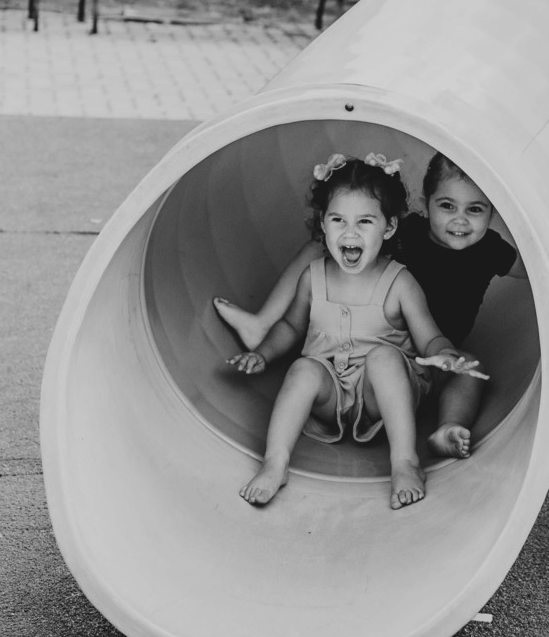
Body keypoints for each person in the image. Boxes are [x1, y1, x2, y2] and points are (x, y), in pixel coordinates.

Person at [215, 152, 516, 459]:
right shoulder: (408, 232)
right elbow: (355, 224)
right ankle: (263, 325)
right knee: (320, 250)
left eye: (475, 209)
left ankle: (448, 428)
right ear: (427, 203)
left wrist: (445, 355)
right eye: (447, 206)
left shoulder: (491, 248)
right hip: (370, 332)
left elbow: (536, 269)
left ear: (493, 212)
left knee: (469, 367)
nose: (460, 220)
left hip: (425, 356)